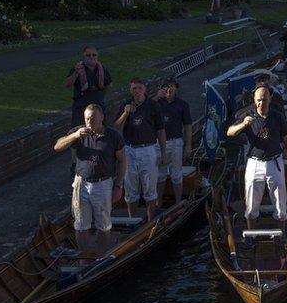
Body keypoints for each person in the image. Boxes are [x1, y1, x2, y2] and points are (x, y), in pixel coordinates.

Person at [53, 104, 125, 253]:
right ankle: (83, 259)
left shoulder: (113, 136)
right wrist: (75, 135)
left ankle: (102, 256)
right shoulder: (79, 133)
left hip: (103, 183)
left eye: (92, 118)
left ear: (102, 118)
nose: (89, 122)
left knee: (104, 225)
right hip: (82, 183)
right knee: (80, 224)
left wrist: (118, 186)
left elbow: (122, 161)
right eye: (86, 119)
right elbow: (57, 146)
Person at [226, 86, 287, 230]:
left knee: (280, 202)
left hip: (275, 161)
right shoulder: (247, 116)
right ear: (254, 100)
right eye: (258, 100)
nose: (261, 103)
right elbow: (229, 132)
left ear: (270, 98)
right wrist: (243, 125)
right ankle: (251, 233)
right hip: (254, 163)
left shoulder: (277, 116)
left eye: (264, 100)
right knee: (251, 202)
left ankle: (281, 233)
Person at [113, 78, 167, 221]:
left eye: (139, 88)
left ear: (144, 89)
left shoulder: (153, 105)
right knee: (130, 188)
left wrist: (163, 153)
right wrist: (125, 113)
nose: (137, 91)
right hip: (129, 149)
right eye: (134, 88)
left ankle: (150, 221)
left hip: (148, 149)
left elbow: (161, 130)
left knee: (150, 188)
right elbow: (116, 127)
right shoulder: (125, 104)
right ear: (130, 90)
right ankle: (132, 221)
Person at [153, 78, 193, 203]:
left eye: (172, 86)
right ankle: (158, 202)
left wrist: (188, 145)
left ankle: (178, 201)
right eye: (166, 87)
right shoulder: (156, 103)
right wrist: (155, 97)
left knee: (176, 173)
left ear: (176, 88)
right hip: (158, 142)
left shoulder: (182, 104)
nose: (169, 89)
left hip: (176, 141)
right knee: (160, 174)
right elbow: (144, 108)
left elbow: (188, 125)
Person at [65, 45, 112, 127]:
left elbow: (109, 84)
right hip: (81, 105)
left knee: (101, 129)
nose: (91, 57)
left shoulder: (101, 69)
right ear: (84, 57)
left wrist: (101, 95)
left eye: (94, 55)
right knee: (79, 129)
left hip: (98, 104)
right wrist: (76, 73)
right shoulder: (78, 68)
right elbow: (68, 84)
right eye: (88, 55)